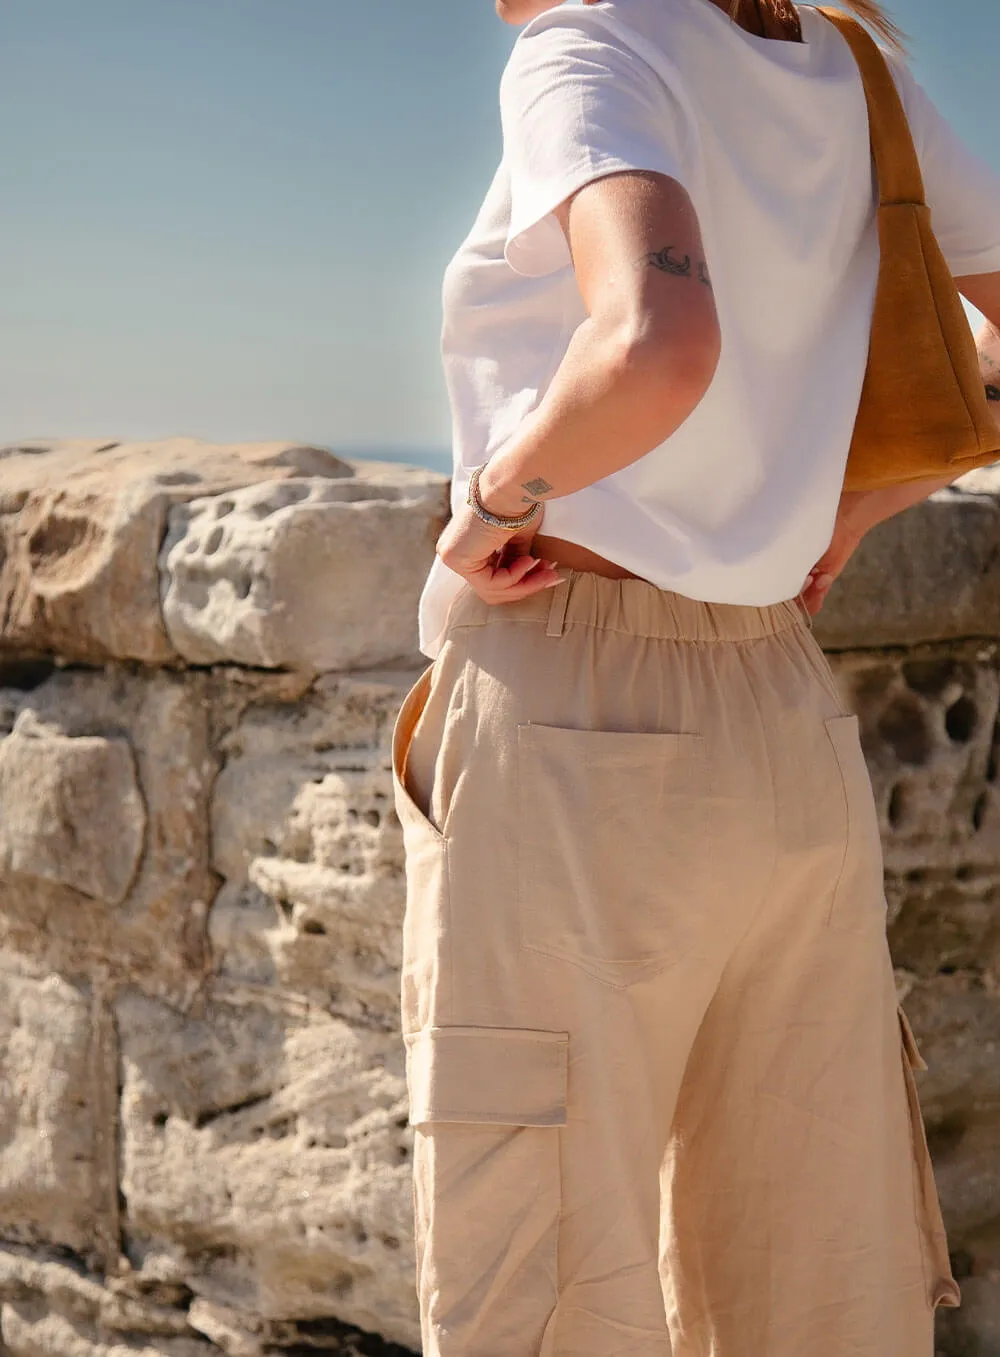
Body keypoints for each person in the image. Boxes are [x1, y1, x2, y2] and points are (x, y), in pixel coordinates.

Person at [391, 0, 1000, 1352]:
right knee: (816, 1281)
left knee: (546, 1280)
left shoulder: (593, 49)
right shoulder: (850, 69)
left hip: (569, 702)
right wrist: (855, 510)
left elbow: (655, 341)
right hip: (783, 716)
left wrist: (496, 502)